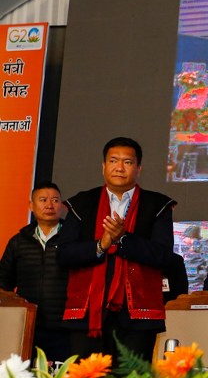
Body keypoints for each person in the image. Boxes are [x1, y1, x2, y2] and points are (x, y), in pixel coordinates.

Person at [58, 137, 176, 361]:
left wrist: (123, 239)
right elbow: (64, 255)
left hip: (136, 318)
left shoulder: (157, 205)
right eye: (113, 161)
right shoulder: (81, 203)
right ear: (103, 166)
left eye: (127, 162)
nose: (119, 167)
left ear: (138, 168)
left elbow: (163, 256)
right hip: (87, 314)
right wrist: (101, 245)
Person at [0, 181, 71, 362]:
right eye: (43, 200)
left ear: (62, 206)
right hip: (27, 327)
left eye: (55, 200)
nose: (49, 205)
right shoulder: (18, 241)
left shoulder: (73, 240)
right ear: (31, 206)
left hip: (65, 327)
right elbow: (3, 283)